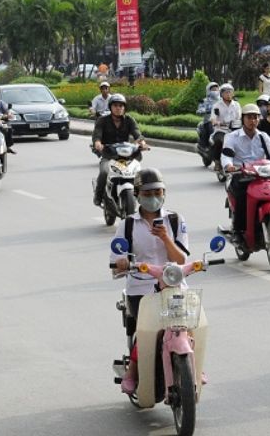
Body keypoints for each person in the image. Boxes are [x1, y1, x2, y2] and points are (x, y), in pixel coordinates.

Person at [110, 168, 189, 395]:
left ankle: (194, 365)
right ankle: (133, 371)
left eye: (158, 191)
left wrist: (166, 238)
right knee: (146, 331)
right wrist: (122, 262)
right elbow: (115, 258)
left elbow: (181, 259)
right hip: (140, 286)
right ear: (137, 195)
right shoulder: (127, 225)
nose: (153, 197)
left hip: (172, 284)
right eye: (147, 193)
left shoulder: (174, 220)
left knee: (188, 323)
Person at [221, 104, 270, 237]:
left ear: (259, 119)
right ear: (243, 119)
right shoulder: (232, 137)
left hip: (263, 174)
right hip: (241, 174)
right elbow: (226, 155)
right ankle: (238, 231)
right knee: (242, 196)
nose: (252, 121)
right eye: (249, 117)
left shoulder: (263, 136)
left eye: (255, 117)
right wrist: (229, 166)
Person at [92, 94, 147, 206]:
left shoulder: (129, 120)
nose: (119, 108)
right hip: (109, 154)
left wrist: (142, 143)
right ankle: (98, 196)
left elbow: (137, 134)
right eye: (116, 105)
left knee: (139, 173)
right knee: (103, 171)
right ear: (110, 107)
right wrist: (97, 143)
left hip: (126, 155)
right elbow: (97, 134)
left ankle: (142, 196)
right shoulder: (103, 120)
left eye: (121, 106)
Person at [196, 81, 219, 150]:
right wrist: (203, 110)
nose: (215, 91)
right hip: (208, 120)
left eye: (216, 89)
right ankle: (205, 146)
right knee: (209, 127)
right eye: (213, 89)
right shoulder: (204, 101)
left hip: (221, 120)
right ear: (208, 90)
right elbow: (199, 109)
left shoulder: (221, 100)